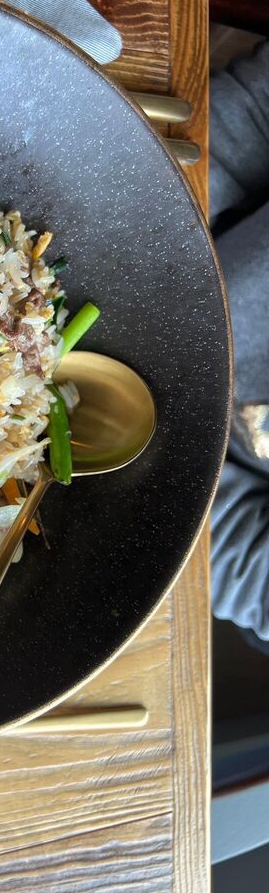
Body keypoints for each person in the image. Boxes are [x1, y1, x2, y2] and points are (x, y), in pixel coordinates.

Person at [209, 41, 269, 648]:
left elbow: (247, 568)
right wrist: (169, 221)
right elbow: (258, 109)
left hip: (183, 468)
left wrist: (174, 462)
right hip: (182, 251)